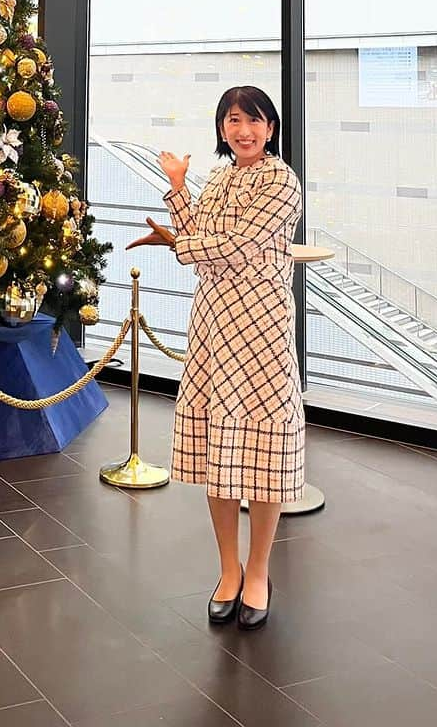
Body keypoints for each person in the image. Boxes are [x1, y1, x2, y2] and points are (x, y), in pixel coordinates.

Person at [131, 85, 303, 631]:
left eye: (253, 120)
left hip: (262, 328)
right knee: (218, 453)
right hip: (213, 326)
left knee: (264, 453)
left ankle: (258, 571)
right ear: (222, 128)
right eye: (233, 120)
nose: (243, 130)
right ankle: (228, 570)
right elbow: (202, 236)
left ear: (270, 128)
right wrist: (179, 188)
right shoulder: (221, 177)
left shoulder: (282, 182)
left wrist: (184, 244)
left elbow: (236, 245)